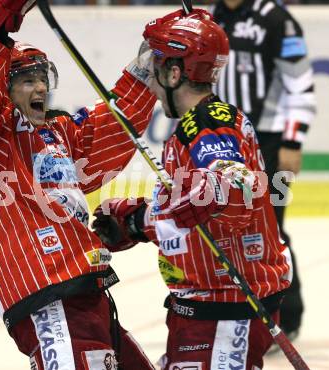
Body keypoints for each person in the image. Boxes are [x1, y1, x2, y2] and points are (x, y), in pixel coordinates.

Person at [0, 1, 157, 369]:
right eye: (28, 79)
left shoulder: (59, 133)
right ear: (4, 90)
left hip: (86, 289)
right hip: (47, 295)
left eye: (43, 77)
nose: (40, 86)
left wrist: (149, 67)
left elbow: (110, 127)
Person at [93, 8, 293, 370]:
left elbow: (233, 184)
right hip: (209, 304)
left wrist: (211, 189)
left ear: (173, 73)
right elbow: (196, 207)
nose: (150, 83)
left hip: (225, 307)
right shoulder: (204, 121)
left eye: (154, 69)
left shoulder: (206, 124)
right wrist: (140, 220)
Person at [209, 0, 316, 341]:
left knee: (272, 229)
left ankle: (288, 315)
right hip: (226, 142)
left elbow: (300, 84)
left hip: (270, 141)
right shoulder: (214, 17)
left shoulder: (276, 19)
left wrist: (293, 142)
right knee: (228, 229)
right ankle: (242, 313)